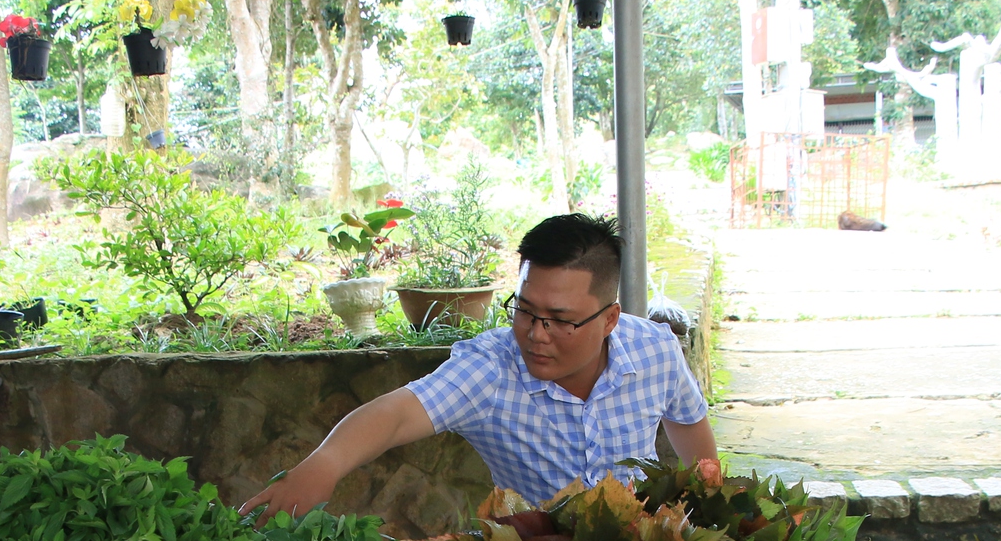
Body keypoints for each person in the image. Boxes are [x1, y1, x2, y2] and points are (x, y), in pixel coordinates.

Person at [240, 213, 718, 518]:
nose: (535, 333)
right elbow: (397, 414)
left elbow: (688, 421)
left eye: (559, 320)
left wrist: (710, 504)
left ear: (609, 318)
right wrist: (324, 465)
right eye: (525, 310)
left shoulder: (655, 350)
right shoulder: (490, 370)